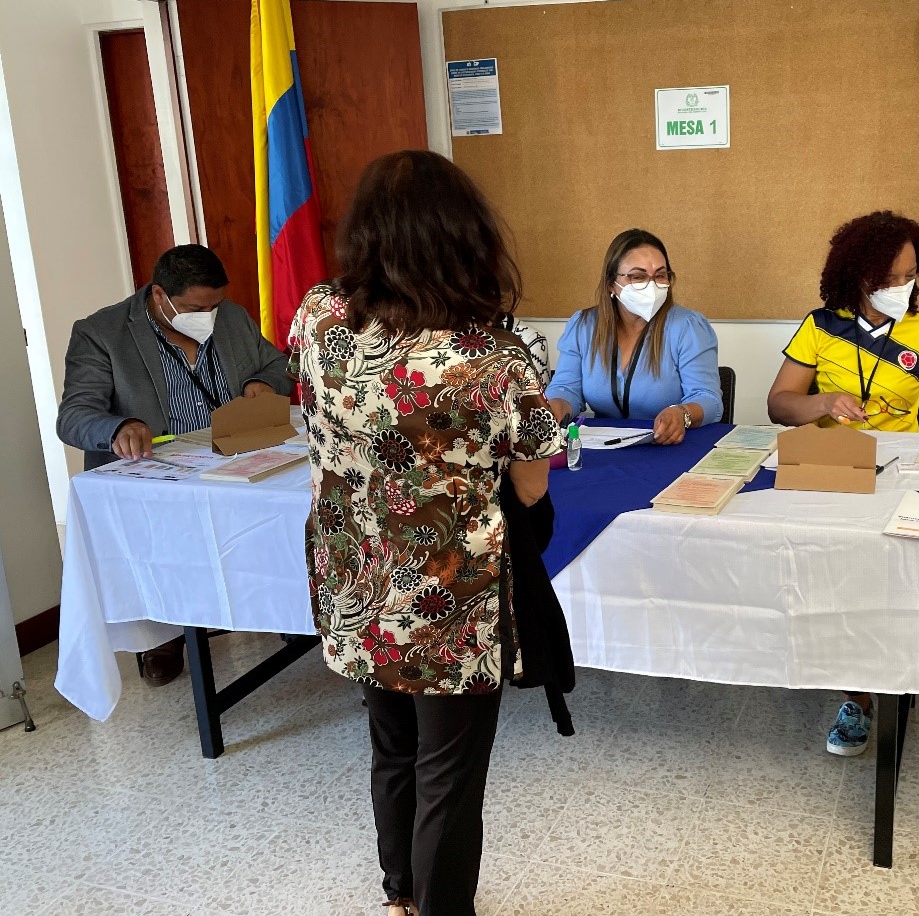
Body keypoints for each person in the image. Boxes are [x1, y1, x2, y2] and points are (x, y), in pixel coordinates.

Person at [289, 150, 562, 916]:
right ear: (465, 236)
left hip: (354, 581)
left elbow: (308, 406)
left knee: (392, 747)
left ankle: (399, 898)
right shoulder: (495, 357)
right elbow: (533, 483)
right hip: (451, 599)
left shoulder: (315, 319)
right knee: (449, 771)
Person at [767, 210, 919, 757]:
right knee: (834, 583)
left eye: (911, 275)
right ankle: (858, 695)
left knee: (889, 582)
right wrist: (820, 402)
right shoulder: (821, 327)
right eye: (889, 279)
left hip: (901, 471)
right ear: (857, 277)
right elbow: (778, 403)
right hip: (831, 470)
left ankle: (897, 670)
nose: (903, 288)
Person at [56, 245, 290, 686]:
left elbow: (278, 363)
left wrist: (263, 381)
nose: (208, 316)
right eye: (194, 308)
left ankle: (277, 607)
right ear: (160, 295)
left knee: (280, 514)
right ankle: (163, 634)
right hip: (163, 475)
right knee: (166, 541)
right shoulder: (101, 333)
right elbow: (73, 416)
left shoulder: (232, 317)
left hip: (235, 457)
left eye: (214, 305)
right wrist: (118, 425)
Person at [545, 228, 722, 443]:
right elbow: (566, 388)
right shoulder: (583, 325)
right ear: (612, 284)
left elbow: (709, 399)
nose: (651, 285)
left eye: (660, 275)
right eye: (638, 277)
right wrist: (555, 409)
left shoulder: (688, 326)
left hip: (669, 446)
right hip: (601, 447)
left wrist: (682, 413)